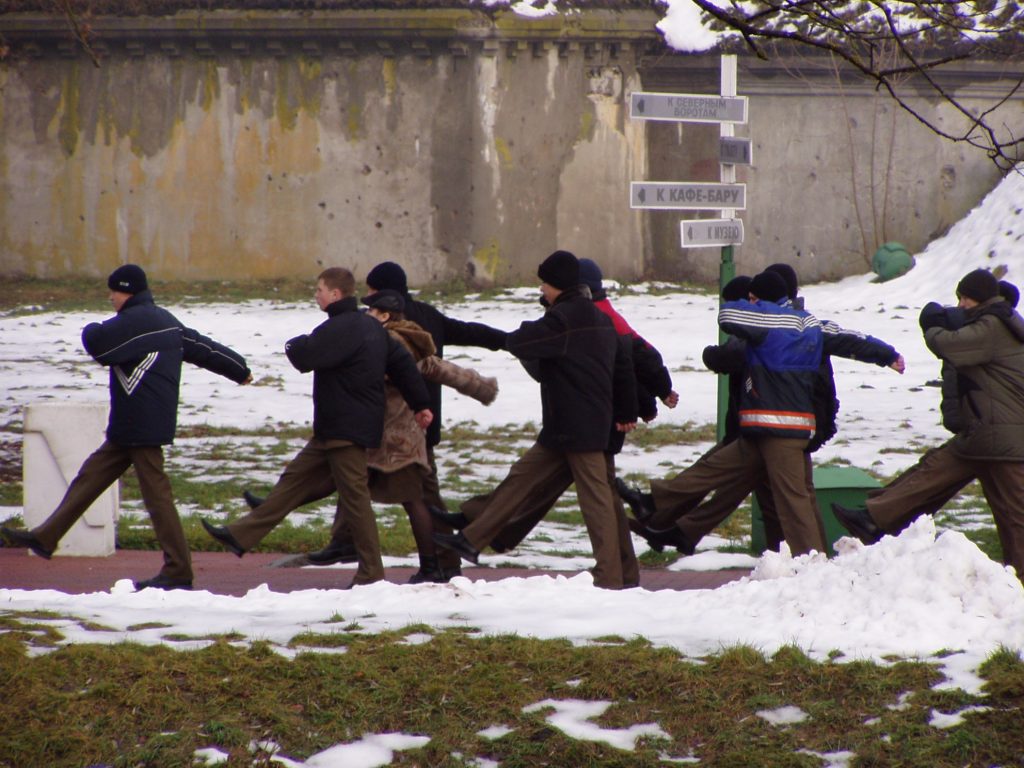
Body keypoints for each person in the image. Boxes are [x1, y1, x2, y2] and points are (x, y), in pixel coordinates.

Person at [241, 261, 507, 576]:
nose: (365, 305)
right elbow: (451, 357)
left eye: (370, 298)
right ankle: (318, 528)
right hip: (392, 428)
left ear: (382, 306)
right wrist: (489, 372)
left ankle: (437, 566)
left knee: (411, 498)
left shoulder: (385, 339)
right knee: (348, 483)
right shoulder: (420, 321)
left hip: (394, 434)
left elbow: (417, 369)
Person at [0, 264, 252, 591]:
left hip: (142, 426)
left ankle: (178, 570)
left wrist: (89, 326)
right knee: (90, 477)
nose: (110, 297)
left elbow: (98, 344)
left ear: (127, 291)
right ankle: (46, 537)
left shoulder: (133, 323)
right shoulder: (164, 320)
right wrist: (239, 370)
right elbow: (203, 348)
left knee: (158, 498)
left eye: (114, 292)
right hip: (132, 423)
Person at [628, 265, 905, 555]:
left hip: (780, 430)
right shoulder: (811, 324)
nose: (750, 303)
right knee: (714, 469)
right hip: (767, 429)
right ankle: (656, 501)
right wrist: (886, 355)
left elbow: (727, 315)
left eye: (753, 298)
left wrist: (755, 306)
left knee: (794, 502)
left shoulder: (766, 323)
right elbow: (852, 339)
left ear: (760, 298)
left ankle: (811, 565)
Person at [200, 267, 432, 588]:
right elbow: (404, 367)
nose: (316, 295)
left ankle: (371, 574)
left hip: (345, 430)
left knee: (355, 500)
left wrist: (293, 343)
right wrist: (421, 404)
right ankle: (240, 536)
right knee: (294, 481)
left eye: (320, 290)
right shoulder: (371, 328)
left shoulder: (341, 328)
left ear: (335, 294)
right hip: (333, 428)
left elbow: (304, 357)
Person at [433, 256, 677, 559]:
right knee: (526, 479)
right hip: (572, 423)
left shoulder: (581, 318)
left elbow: (633, 361)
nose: (541, 288)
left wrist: (645, 403)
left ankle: (615, 576)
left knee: (598, 502)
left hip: (589, 425)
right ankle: (472, 534)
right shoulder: (590, 315)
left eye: (545, 283)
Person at [617, 269, 829, 557]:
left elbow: (732, 356)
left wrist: (710, 354)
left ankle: (668, 520)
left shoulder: (779, 329)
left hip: (776, 429)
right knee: (762, 493)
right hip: (767, 428)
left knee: (774, 493)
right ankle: (676, 525)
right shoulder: (795, 325)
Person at [833, 269, 1024, 583]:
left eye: (965, 298)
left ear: (981, 299)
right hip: (985, 434)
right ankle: (873, 518)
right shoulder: (994, 322)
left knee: (1014, 516)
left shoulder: (993, 326)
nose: (961, 304)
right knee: (934, 471)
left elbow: (949, 346)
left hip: (1002, 438)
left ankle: (874, 519)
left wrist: (932, 323)